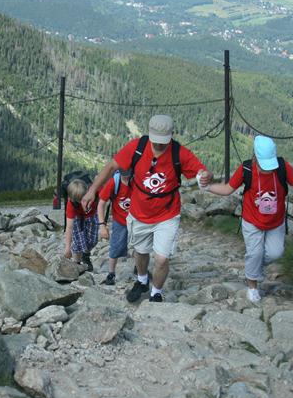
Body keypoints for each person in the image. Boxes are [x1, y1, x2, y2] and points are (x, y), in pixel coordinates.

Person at [82, 114, 212, 303]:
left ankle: (156, 293)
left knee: (161, 259)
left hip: (167, 214)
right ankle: (142, 280)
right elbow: (111, 167)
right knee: (141, 252)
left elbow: (202, 171)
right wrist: (92, 191)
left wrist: (206, 175)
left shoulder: (179, 153)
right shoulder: (136, 147)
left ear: (171, 135)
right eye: (155, 140)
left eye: (163, 141)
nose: (158, 145)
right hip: (139, 213)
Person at [204, 136, 293, 303]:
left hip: (275, 221)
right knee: (255, 253)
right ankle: (252, 287)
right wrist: (207, 187)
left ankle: (253, 267)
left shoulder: (282, 167)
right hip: (251, 220)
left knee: (276, 253)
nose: (267, 170)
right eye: (264, 165)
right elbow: (227, 189)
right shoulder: (246, 169)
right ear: (255, 158)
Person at [97, 169, 132, 285]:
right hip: (120, 221)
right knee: (115, 246)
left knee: (140, 247)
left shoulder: (138, 179)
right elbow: (101, 204)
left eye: (129, 175)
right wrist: (102, 225)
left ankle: (140, 270)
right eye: (125, 176)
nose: (127, 178)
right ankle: (111, 273)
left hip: (137, 220)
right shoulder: (114, 182)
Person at [64, 178, 99, 271]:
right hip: (77, 217)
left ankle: (85, 255)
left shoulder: (94, 191)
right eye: (79, 200)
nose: (83, 202)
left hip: (92, 215)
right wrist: (67, 248)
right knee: (78, 241)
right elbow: (69, 227)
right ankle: (77, 263)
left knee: (93, 240)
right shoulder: (71, 205)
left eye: (84, 198)